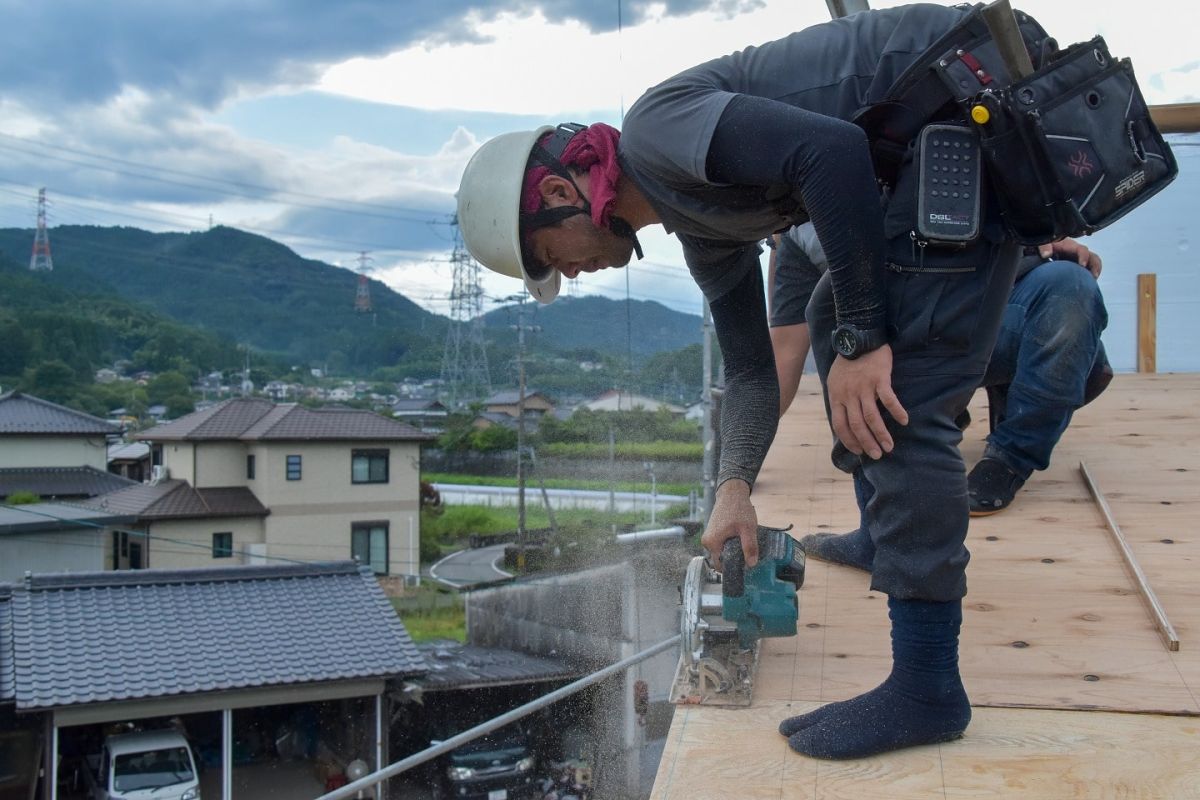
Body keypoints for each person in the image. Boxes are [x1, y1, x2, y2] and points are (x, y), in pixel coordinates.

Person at [455, 3, 1067, 760]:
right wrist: (734, 486)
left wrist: (866, 338)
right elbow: (750, 371)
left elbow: (832, 152)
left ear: (558, 196)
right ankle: (889, 546)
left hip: (965, 82)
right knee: (826, 315)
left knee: (896, 400)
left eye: (555, 257)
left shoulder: (659, 132)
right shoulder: (702, 228)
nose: (570, 275)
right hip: (947, 126)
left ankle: (928, 687)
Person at [768, 222, 1113, 515]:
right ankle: (940, 410)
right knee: (861, 348)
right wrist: (737, 470)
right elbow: (784, 356)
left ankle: (1010, 458)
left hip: (995, 317)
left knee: (1071, 287)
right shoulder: (798, 237)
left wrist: (1044, 227)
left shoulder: (936, 167)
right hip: (911, 346)